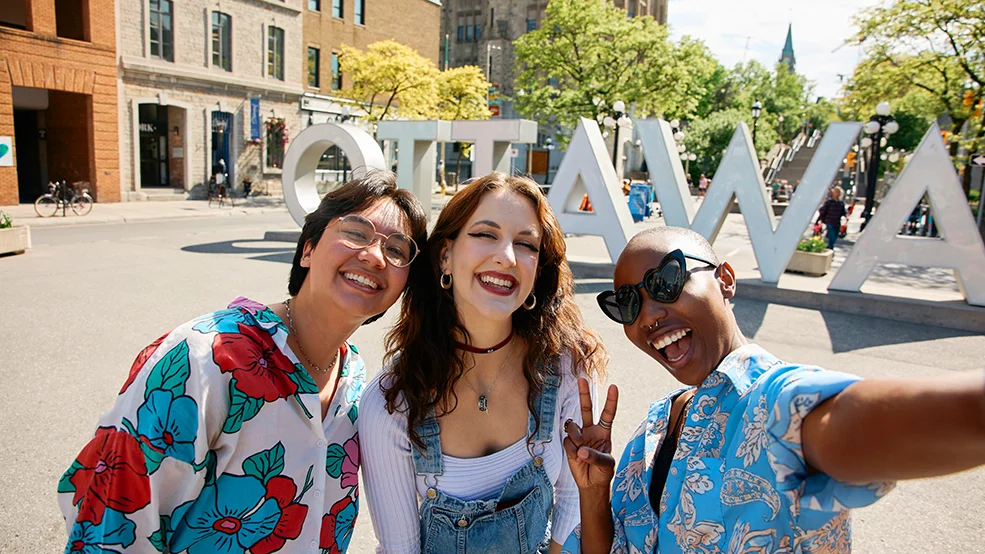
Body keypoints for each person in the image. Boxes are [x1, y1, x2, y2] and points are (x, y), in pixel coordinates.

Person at [57, 171, 427, 554]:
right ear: (308, 250)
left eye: (397, 250)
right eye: (355, 232)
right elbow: (110, 522)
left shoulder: (354, 381)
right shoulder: (202, 358)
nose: (374, 256)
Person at [561, 226, 985, 554]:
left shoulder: (773, 402)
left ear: (725, 280)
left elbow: (865, 422)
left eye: (666, 281)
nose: (648, 315)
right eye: (628, 304)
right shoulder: (654, 426)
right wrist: (594, 492)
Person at [361, 173, 608, 554]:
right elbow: (399, 548)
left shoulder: (566, 368)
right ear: (445, 254)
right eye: (485, 234)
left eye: (526, 244)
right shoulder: (393, 400)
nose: (506, 257)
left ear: (538, 269)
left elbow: (572, 503)